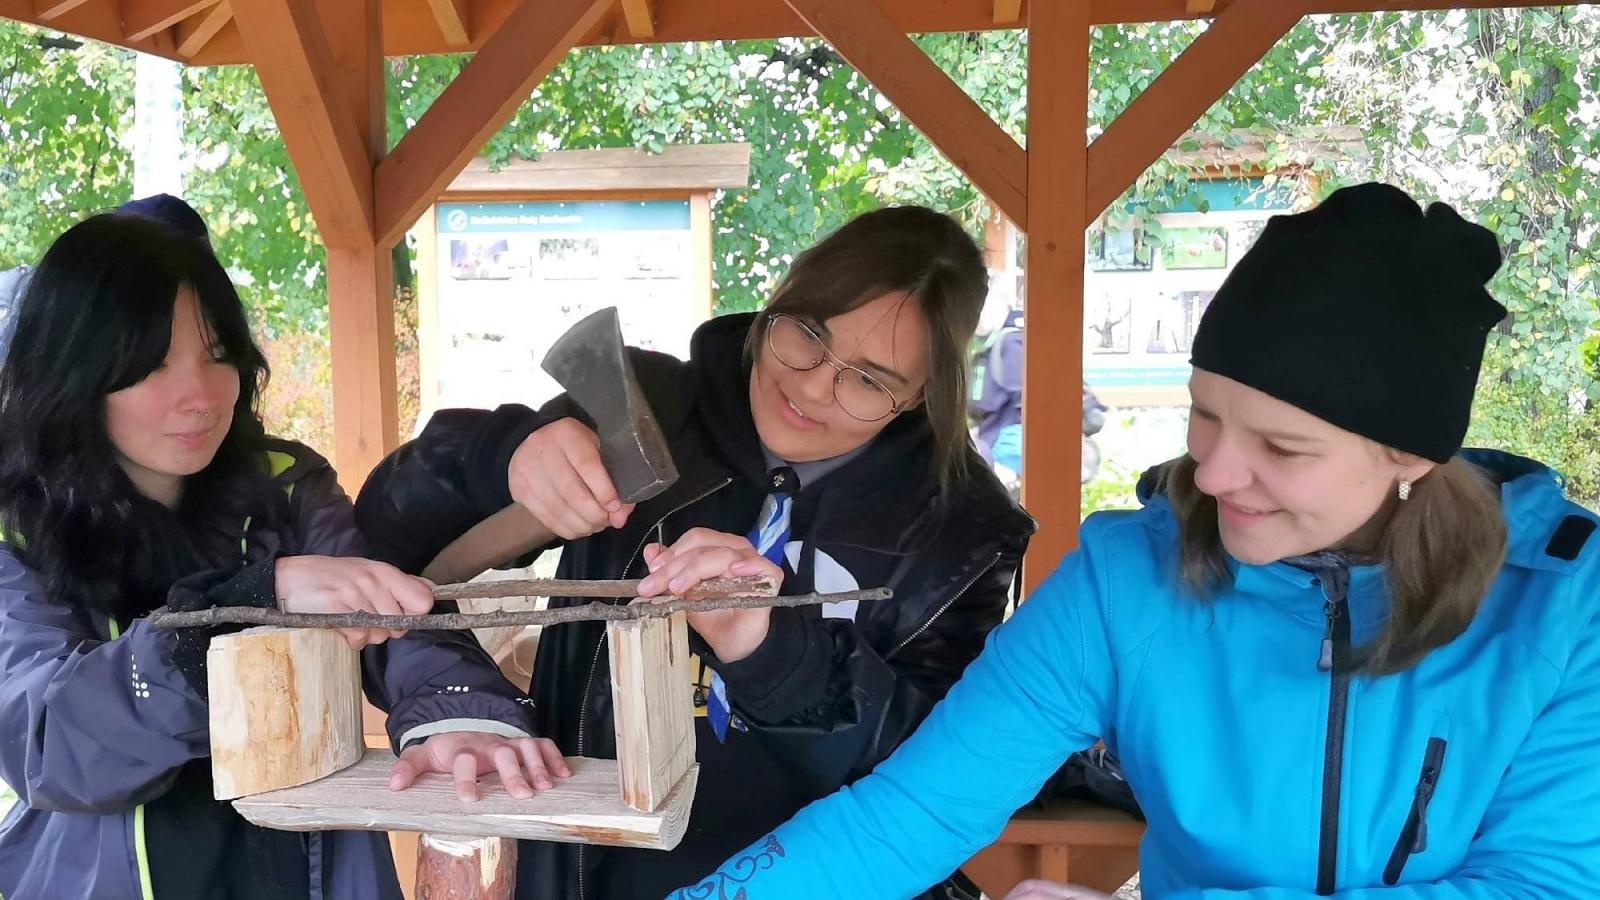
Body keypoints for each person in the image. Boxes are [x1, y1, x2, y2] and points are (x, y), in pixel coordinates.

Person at [673, 183, 1600, 898]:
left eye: (1282, 446)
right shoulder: (1125, 582)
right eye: (1205, 417)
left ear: (1410, 453)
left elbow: (1545, 883)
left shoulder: (1565, 603)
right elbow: (907, 815)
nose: (1215, 474)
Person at [356, 205, 1035, 899]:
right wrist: (499, 456)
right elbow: (375, 547)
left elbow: (951, 779)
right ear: (779, 299)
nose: (810, 385)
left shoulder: (961, 534)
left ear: (922, 395)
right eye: (806, 334)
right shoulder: (653, 409)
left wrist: (779, 655)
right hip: (589, 876)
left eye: (869, 380)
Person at [0, 213, 564, 900]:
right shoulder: (14, 530)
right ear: (70, 374)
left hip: (312, 872)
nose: (202, 395)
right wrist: (241, 609)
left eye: (217, 353)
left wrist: (461, 718)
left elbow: (391, 622)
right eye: (149, 366)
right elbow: (51, 742)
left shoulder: (285, 488)